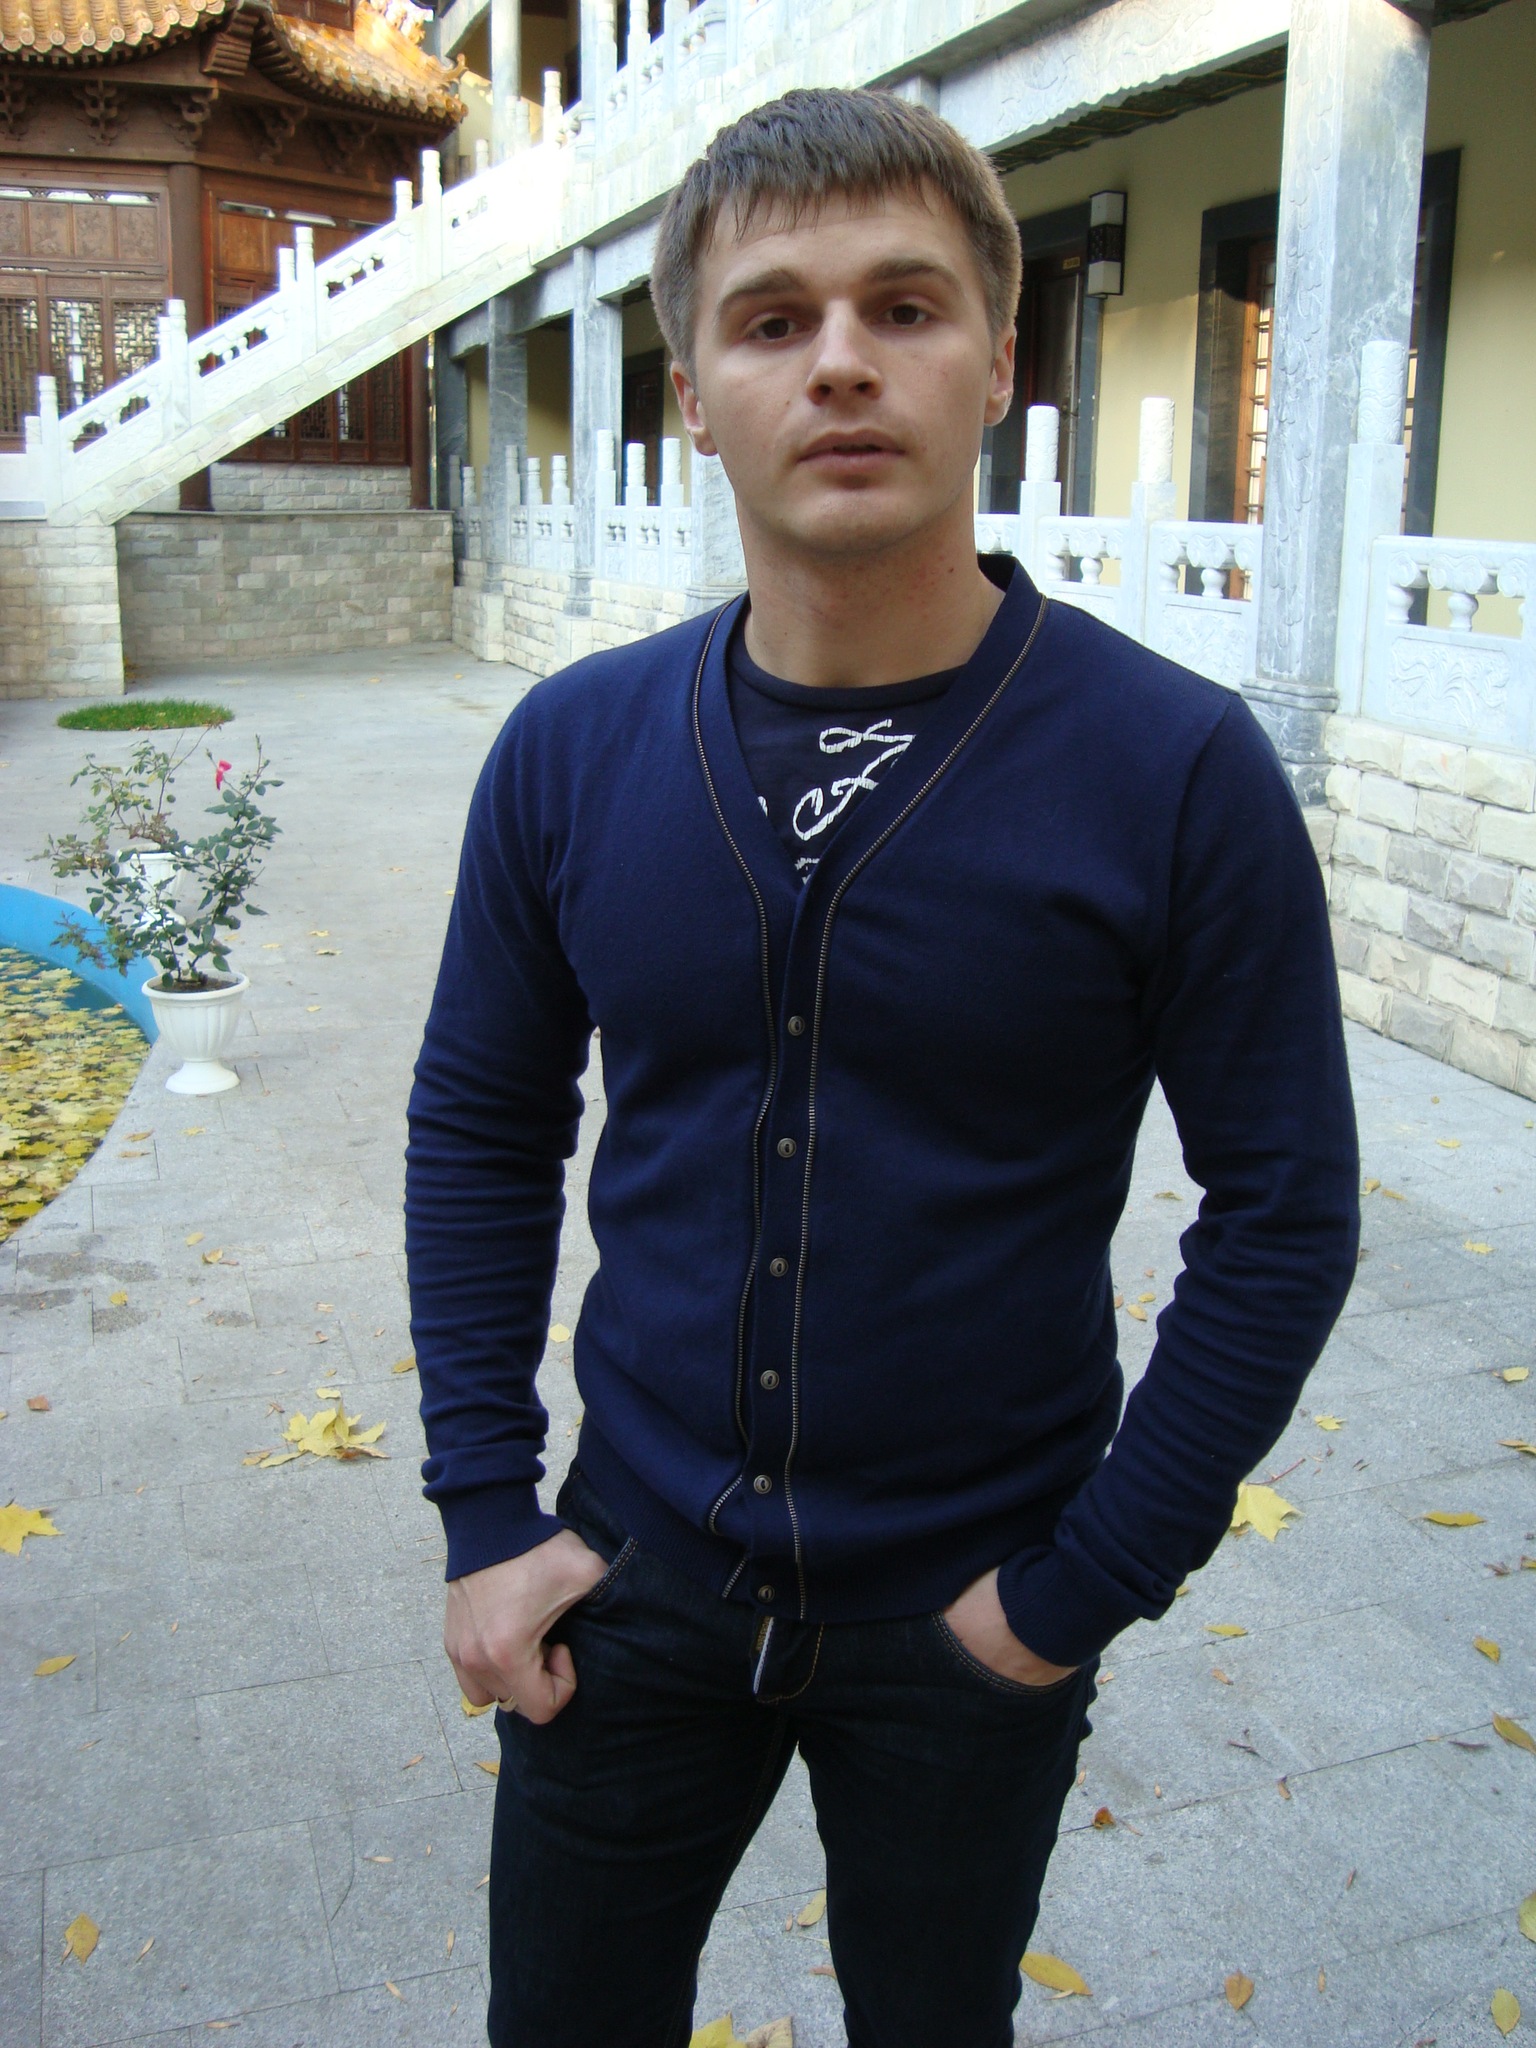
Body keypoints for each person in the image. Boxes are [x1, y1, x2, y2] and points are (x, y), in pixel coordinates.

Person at [405, 86, 1360, 2048]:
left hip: (974, 1609)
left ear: (999, 363)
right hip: (628, 1578)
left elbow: (1284, 1210)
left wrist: (1076, 1593)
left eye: (904, 307)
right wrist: (488, 1515)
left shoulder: (1174, 772)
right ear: (696, 395)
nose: (840, 361)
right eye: (773, 320)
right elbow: (482, 1128)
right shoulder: (575, 751)